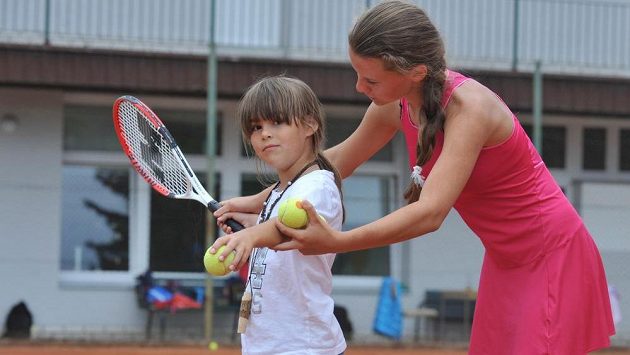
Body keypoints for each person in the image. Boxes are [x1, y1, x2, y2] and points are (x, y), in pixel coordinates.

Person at [213, 1, 615, 354]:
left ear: (417, 72)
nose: (359, 87)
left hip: (552, 255)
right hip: (506, 259)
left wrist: (337, 242)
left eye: (370, 79)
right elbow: (334, 162)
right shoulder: (396, 102)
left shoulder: (469, 108)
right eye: (357, 73)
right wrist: (260, 201)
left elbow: (430, 213)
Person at [211, 75, 347, 355]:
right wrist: (250, 227)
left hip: (303, 346)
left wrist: (251, 235)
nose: (264, 133)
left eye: (277, 122)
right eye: (256, 127)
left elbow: (284, 226)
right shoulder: (281, 192)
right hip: (268, 344)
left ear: (310, 124)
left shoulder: (317, 185)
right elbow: (273, 231)